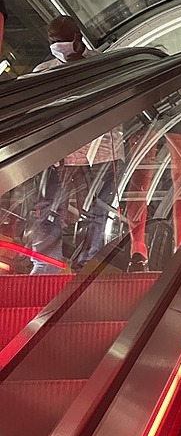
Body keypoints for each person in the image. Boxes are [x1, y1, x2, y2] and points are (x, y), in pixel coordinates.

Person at [27, 16, 124, 272]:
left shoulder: (103, 65)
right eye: (53, 40)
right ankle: (46, 266)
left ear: (78, 37)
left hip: (102, 153)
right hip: (61, 154)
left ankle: (88, 266)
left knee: (97, 212)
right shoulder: (44, 72)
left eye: (63, 39)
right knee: (49, 209)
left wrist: (77, 63)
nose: (59, 45)